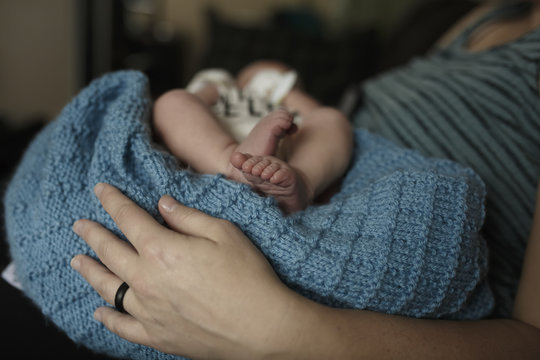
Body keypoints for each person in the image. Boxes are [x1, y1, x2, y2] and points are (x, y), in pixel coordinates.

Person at [70, 0, 540, 358]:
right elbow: (184, 105)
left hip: (326, 161)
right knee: (172, 103)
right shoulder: (494, 12)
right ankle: (232, 162)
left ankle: (298, 182)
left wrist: (279, 330)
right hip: (221, 145)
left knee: (333, 122)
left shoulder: (275, 91)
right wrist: (214, 102)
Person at [152, 63, 353, 213]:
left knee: (332, 118)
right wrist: (216, 84)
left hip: (292, 150)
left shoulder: (282, 101)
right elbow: (194, 100)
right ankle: (229, 164)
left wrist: (284, 89)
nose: (272, 79)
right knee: (172, 102)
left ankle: (303, 181)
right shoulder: (224, 89)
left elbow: (316, 115)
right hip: (218, 139)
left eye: (280, 77)